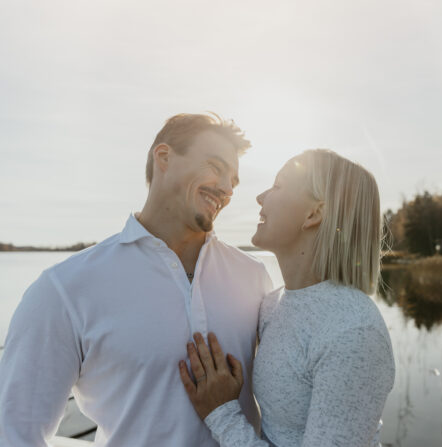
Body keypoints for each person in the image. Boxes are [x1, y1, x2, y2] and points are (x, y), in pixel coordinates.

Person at [0, 113, 273, 446]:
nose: (228, 189)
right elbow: (15, 433)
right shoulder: (65, 289)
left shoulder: (255, 277)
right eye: (215, 167)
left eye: (234, 180)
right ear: (164, 158)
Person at [179, 149, 396, 446]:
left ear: (313, 214)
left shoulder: (353, 331)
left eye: (278, 186)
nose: (261, 197)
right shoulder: (272, 306)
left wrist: (221, 413)